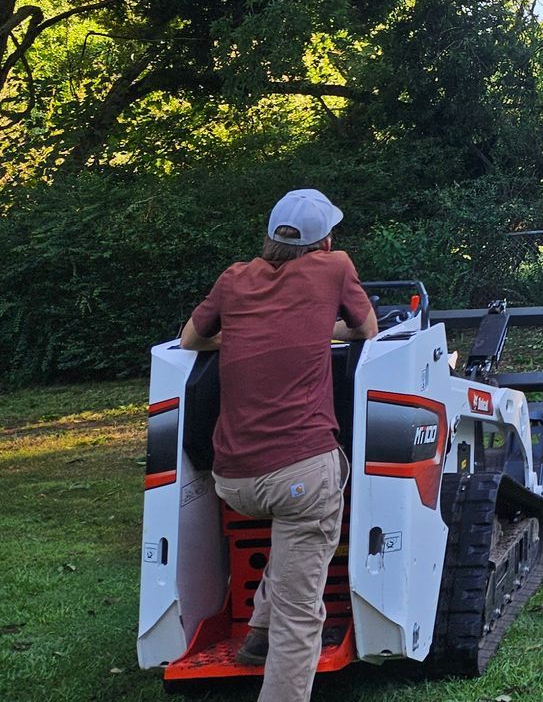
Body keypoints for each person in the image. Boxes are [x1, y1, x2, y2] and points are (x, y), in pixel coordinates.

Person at [180, 189, 378, 702]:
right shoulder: (334, 266)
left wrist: (246, 334)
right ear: (326, 238)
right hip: (299, 476)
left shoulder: (234, 278)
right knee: (302, 609)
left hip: (234, 480)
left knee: (296, 541)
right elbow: (366, 329)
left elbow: (190, 341)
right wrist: (317, 331)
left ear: (270, 237)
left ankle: (257, 637)